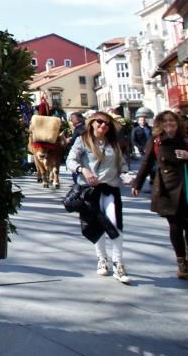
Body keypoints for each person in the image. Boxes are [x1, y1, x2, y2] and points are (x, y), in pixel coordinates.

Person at [132, 110, 188, 280]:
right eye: (165, 122)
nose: (169, 124)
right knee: (175, 226)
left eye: (172, 121)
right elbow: (147, 162)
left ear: (177, 123)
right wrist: (138, 182)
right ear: (160, 124)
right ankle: (181, 261)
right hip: (167, 188)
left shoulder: (187, 139)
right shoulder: (156, 141)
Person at [66, 111, 131, 284]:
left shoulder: (114, 143)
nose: (104, 126)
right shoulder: (83, 140)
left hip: (111, 188)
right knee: (96, 225)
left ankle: (119, 263)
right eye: (100, 122)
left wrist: (125, 174)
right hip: (91, 191)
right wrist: (82, 169)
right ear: (92, 123)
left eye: (107, 124)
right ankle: (102, 258)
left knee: (115, 223)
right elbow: (70, 160)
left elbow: (122, 163)